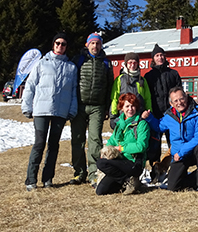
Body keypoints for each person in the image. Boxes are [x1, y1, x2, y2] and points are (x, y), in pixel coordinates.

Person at [22, 33, 78, 191]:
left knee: (54, 145)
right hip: (41, 110)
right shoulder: (42, 64)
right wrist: (27, 106)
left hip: (60, 112)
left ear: (67, 47)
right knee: (39, 144)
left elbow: (74, 91)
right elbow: (31, 85)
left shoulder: (71, 67)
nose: (60, 46)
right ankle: (31, 180)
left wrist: (72, 110)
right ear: (53, 44)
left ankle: (48, 179)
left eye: (64, 44)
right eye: (58, 43)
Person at [143, 87, 198, 197]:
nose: (179, 103)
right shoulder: (169, 116)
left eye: (181, 99)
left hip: (192, 152)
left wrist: (181, 152)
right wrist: (149, 118)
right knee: (173, 187)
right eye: (176, 101)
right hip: (178, 155)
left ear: (186, 98)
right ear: (171, 103)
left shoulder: (197, 113)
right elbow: (159, 126)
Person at [70, 33, 114, 187]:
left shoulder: (107, 63)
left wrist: (108, 106)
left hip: (98, 107)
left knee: (95, 140)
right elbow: (72, 82)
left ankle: (94, 174)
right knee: (77, 140)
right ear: (87, 45)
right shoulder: (78, 60)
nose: (95, 46)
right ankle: (79, 173)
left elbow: (110, 86)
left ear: (101, 45)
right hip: (79, 106)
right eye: (92, 43)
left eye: (98, 43)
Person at [96, 93, 150, 195]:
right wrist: (105, 151)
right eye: (127, 106)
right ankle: (127, 181)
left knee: (101, 163)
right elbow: (112, 141)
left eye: (133, 106)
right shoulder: (120, 123)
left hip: (133, 162)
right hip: (119, 161)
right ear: (122, 108)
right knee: (101, 191)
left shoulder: (141, 124)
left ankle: (129, 180)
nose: (130, 109)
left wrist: (121, 148)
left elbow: (141, 146)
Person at [144, 44, 182, 165]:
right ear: (153, 58)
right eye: (157, 55)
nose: (160, 57)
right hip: (155, 114)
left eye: (161, 55)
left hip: (172, 114)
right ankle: (155, 170)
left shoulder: (173, 74)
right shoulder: (148, 76)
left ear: (165, 57)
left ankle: (174, 167)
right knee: (155, 145)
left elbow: (180, 93)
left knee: (174, 142)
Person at [110, 52, 152, 129]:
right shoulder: (120, 79)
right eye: (130, 62)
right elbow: (114, 98)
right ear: (126, 64)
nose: (132, 65)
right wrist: (113, 115)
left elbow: (147, 98)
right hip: (123, 115)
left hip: (139, 116)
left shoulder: (142, 80)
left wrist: (149, 112)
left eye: (135, 63)